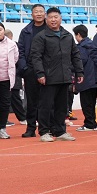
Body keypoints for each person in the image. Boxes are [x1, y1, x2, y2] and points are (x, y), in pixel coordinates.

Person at [29, 8, 84, 142]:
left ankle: (60, 131)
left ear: (60, 18)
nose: (53, 20)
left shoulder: (67, 36)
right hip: (48, 77)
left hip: (64, 76)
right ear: (46, 19)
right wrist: (40, 74)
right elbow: (36, 57)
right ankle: (44, 131)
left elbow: (75, 55)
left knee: (62, 107)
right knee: (45, 106)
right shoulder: (41, 36)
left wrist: (79, 71)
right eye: (51, 17)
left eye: (56, 17)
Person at [16, 3, 46, 137]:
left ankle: (47, 127)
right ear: (32, 14)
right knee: (31, 101)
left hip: (47, 69)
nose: (39, 14)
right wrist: (24, 68)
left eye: (41, 11)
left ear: (45, 14)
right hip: (30, 70)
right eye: (36, 12)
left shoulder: (51, 28)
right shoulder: (26, 31)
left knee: (47, 101)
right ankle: (31, 128)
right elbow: (20, 50)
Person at [72, 24, 97, 131]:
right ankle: (93, 122)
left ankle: (89, 123)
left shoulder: (81, 47)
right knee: (91, 102)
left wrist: (71, 68)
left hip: (85, 78)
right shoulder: (93, 45)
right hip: (94, 78)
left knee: (86, 102)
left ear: (78, 35)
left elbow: (80, 61)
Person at [0, 23, 16, 138]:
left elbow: (15, 58)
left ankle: (2, 128)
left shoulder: (12, 44)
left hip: (5, 79)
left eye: (0, 29)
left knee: (5, 104)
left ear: (3, 31)